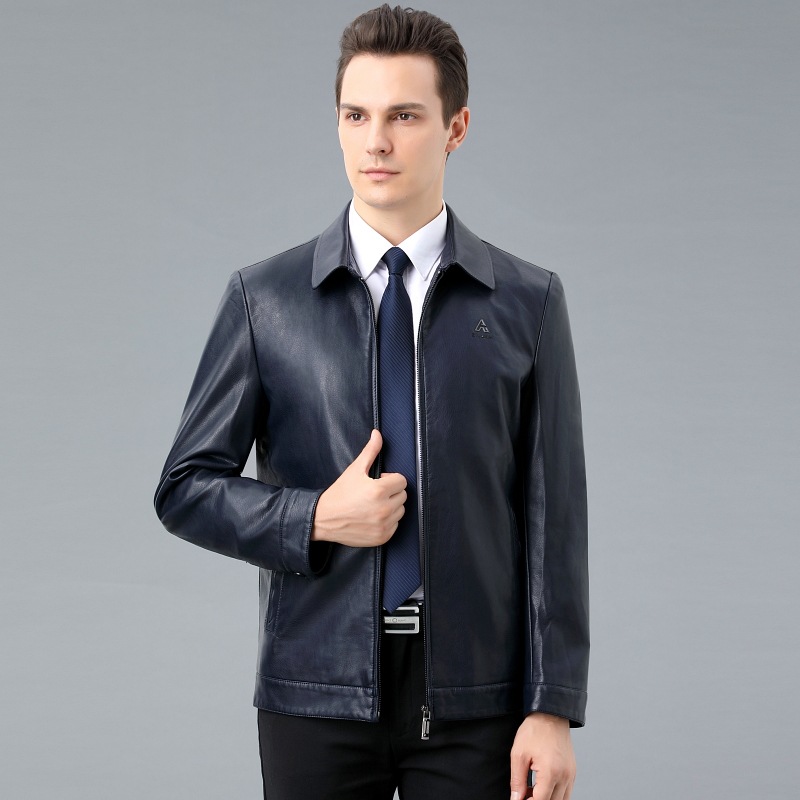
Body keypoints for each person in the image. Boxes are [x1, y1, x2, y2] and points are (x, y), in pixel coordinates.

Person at [154, 5, 588, 799]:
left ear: (455, 129)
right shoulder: (265, 300)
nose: (375, 142)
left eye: (403, 116)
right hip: (315, 689)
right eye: (356, 115)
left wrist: (551, 705)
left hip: (477, 700)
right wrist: (315, 516)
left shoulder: (528, 304)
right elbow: (185, 488)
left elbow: (552, 520)